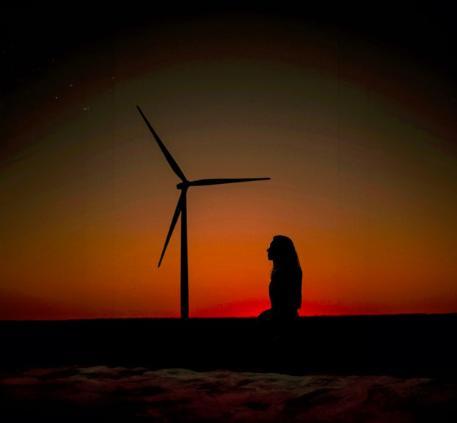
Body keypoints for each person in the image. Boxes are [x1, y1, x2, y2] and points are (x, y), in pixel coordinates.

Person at [259, 235, 302, 321]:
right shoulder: (282, 272)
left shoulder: (286, 273)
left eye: (271, 247)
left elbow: (293, 303)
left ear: (280, 250)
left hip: (284, 322)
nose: (268, 250)